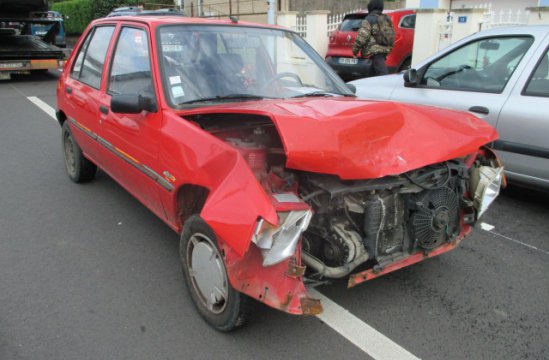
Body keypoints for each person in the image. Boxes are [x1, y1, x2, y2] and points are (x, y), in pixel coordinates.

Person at [352, 0, 395, 76]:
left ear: (370, 7)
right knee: (371, 74)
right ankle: (368, 85)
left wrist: (355, 51)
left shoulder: (369, 19)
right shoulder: (385, 18)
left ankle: (387, 86)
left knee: (383, 74)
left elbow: (362, 37)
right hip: (385, 49)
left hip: (375, 51)